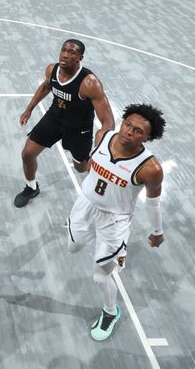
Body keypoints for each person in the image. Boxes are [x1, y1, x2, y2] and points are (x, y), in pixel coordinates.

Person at [66, 104, 166, 341]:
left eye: (138, 131)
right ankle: (115, 251)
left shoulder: (151, 169)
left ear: (148, 137)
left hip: (115, 220)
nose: (129, 132)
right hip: (85, 205)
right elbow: (91, 166)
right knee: (73, 246)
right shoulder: (102, 137)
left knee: (101, 275)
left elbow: (152, 204)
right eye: (128, 124)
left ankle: (110, 311)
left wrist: (157, 231)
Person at [14, 39, 115, 208]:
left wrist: (101, 146)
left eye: (72, 52)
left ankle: (98, 170)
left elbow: (108, 121)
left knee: (81, 168)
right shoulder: (52, 69)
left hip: (79, 127)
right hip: (54, 118)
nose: (66, 55)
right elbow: (46, 86)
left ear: (79, 58)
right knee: (27, 154)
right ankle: (31, 187)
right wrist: (29, 109)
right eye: (64, 50)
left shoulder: (89, 83)